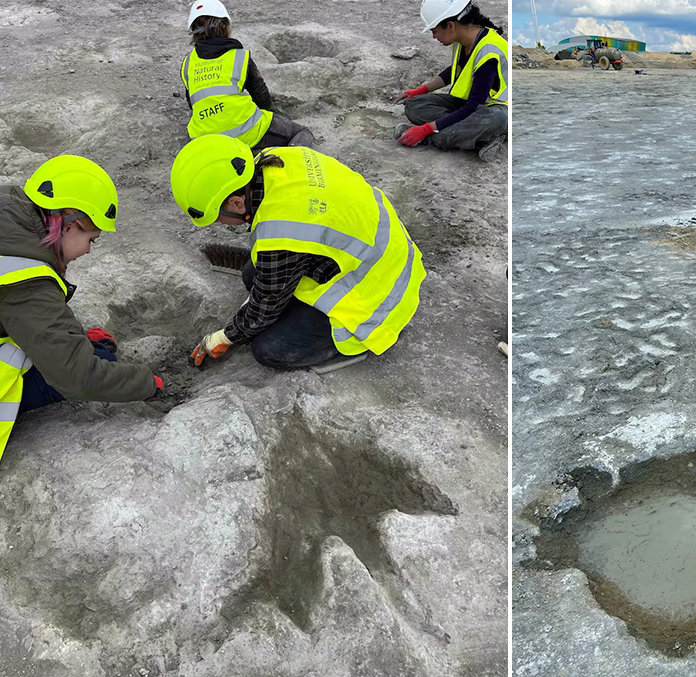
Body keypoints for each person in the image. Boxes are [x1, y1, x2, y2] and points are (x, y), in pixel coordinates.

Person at [170, 135, 426, 372]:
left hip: (377, 293)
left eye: (218, 217)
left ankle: (349, 347)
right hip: (373, 249)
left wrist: (226, 336)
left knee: (269, 349)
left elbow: (264, 307)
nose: (221, 224)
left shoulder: (282, 231)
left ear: (237, 203)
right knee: (253, 274)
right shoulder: (277, 159)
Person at [0, 156, 163, 459]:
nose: (88, 249)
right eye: (92, 238)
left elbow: (27, 318)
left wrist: (77, 340)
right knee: (98, 360)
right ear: (70, 226)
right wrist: (144, 383)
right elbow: (76, 377)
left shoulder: (8, 207)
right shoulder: (26, 279)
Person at [180, 0, 314, 150]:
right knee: (301, 132)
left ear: (193, 31)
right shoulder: (239, 56)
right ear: (225, 25)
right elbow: (261, 96)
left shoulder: (188, 64)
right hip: (247, 132)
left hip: (204, 140)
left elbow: (193, 103)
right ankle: (285, 160)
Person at [394, 0, 508, 163]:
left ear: (450, 26)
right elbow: (453, 71)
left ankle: (442, 136)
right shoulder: (462, 41)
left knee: (492, 120)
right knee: (413, 105)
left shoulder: (489, 52)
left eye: (434, 31)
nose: (434, 36)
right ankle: (471, 134)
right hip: (466, 104)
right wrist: (421, 90)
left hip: (494, 110)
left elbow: (473, 106)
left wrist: (426, 129)